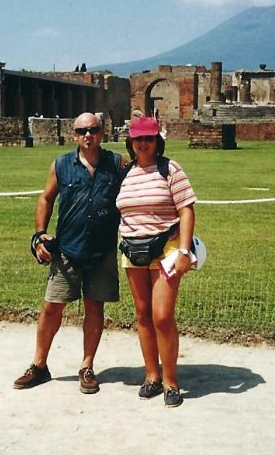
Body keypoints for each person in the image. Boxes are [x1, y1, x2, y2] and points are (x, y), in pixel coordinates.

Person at [13, 113, 123, 395]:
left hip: (101, 250)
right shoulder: (61, 164)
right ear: (74, 135)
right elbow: (46, 198)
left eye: (93, 130)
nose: (88, 135)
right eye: (82, 131)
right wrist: (40, 234)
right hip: (68, 249)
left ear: (102, 133)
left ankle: (87, 366)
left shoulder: (116, 163)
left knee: (95, 307)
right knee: (52, 307)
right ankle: (39, 365)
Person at [116, 116, 197, 408]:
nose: (143, 144)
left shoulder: (170, 169)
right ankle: (151, 375)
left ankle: (170, 380)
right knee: (142, 314)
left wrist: (185, 251)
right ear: (131, 142)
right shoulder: (125, 173)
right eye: (138, 139)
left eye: (148, 138)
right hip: (133, 250)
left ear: (157, 141)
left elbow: (186, 211)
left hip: (166, 250)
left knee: (161, 315)